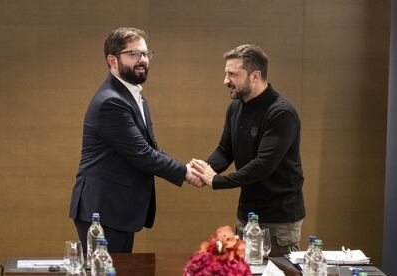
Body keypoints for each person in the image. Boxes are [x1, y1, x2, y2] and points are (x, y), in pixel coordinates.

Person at [69, 27, 201, 253]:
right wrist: (186, 172)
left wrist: (188, 167)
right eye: (134, 54)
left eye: (146, 54)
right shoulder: (111, 101)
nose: (142, 60)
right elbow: (142, 154)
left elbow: (150, 149)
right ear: (112, 60)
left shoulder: (133, 96)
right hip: (102, 211)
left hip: (116, 209)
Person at [192, 44, 305, 255]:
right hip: (247, 214)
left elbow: (263, 166)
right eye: (226, 73)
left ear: (255, 75)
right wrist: (203, 170)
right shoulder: (236, 106)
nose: (226, 80)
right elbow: (225, 150)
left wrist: (216, 181)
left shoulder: (281, 113)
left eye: (232, 74)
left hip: (278, 219)